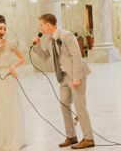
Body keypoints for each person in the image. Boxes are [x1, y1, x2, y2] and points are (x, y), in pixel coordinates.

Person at [32, 13, 95, 149]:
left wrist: (77, 77)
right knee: (64, 105)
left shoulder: (67, 36)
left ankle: (89, 138)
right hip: (63, 77)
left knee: (80, 106)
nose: (40, 27)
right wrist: (36, 46)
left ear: (48, 25)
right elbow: (45, 57)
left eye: (41, 25)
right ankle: (71, 136)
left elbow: (77, 56)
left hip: (76, 74)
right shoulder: (50, 41)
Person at [0, 14, 26, 151]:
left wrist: (13, 67)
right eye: (0, 28)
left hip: (8, 76)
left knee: (11, 108)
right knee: (1, 109)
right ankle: (3, 139)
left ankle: (15, 140)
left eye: (4, 28)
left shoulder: (11, 44)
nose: (2, 31)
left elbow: (22, 58)